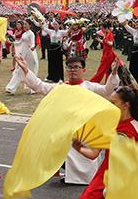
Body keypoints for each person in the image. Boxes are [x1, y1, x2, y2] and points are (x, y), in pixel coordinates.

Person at [53, 85, 138, 199]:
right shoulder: (108, 126)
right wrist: (79, 149)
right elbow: (94, 154)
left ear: (125, 105)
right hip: (105, 174)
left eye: (113, 103)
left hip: (130, 176)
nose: (109, 105)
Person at [14, 54, 121, 185]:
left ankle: (85, 178)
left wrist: (114, 73)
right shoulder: (61, 87)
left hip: (86, 132)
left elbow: (107, 90)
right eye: (69, 67)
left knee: (85, 157)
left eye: (76, 67)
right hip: (65, 131)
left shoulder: (90, 87)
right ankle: (66, 174)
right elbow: (40, 86)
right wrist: (26, 69)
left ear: (83, 70)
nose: (72, 70)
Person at [5, 21, 38, 94]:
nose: (24, 25)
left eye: (26, 24)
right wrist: (11, 43)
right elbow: (20, 42)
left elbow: (33, 42)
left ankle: (33, 89)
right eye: (24, 24)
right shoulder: (25, 33)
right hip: (23, 53)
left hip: (29, 54)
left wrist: (32, 47)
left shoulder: (31, 33)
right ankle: (11, 88)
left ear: (30, 25)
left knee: (29, 71)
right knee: (19, 70)